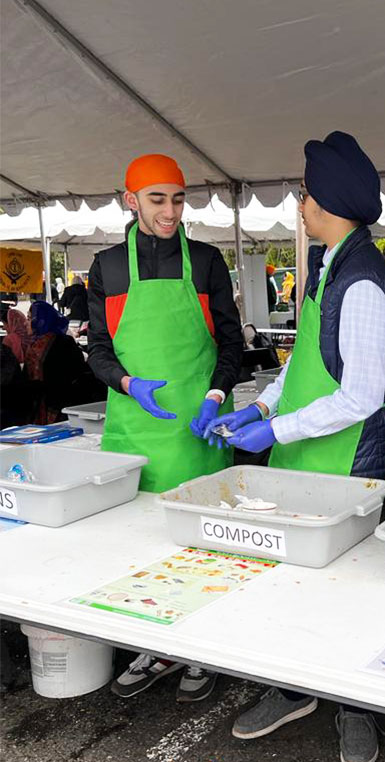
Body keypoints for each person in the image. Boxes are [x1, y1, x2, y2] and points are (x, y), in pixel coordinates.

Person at [202, 131, 385, 762]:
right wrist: (261, 407)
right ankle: (294, 688)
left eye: (307, 192)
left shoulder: (364, 280)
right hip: (302, 455)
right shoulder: (327, 264)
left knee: (351, 588)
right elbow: (304, 362)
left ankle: (355, 706)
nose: (300, 203)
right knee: (295, 582)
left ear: (331, 201)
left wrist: (278, 430)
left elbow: (360, 396)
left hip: (348, 461)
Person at [87, 153, 242, 703]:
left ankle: (200, 649)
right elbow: (98, 351)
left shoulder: (206, 261)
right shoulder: (106, 267)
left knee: (201, 545)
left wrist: (216, 395)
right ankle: (154, 645)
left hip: (198, 429)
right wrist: (127, 384)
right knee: (139, 548)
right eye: (157, 199)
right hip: (134, 430)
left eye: (178, 199)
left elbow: (231, 343)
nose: (171, 211)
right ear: (130, 200)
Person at [24, 301, 100, 424]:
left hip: (62, 407)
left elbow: (74, 373)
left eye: (29, 319)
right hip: (43, 406)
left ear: (40, 321)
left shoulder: (63, 343)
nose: (25, 323)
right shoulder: (33, 345)